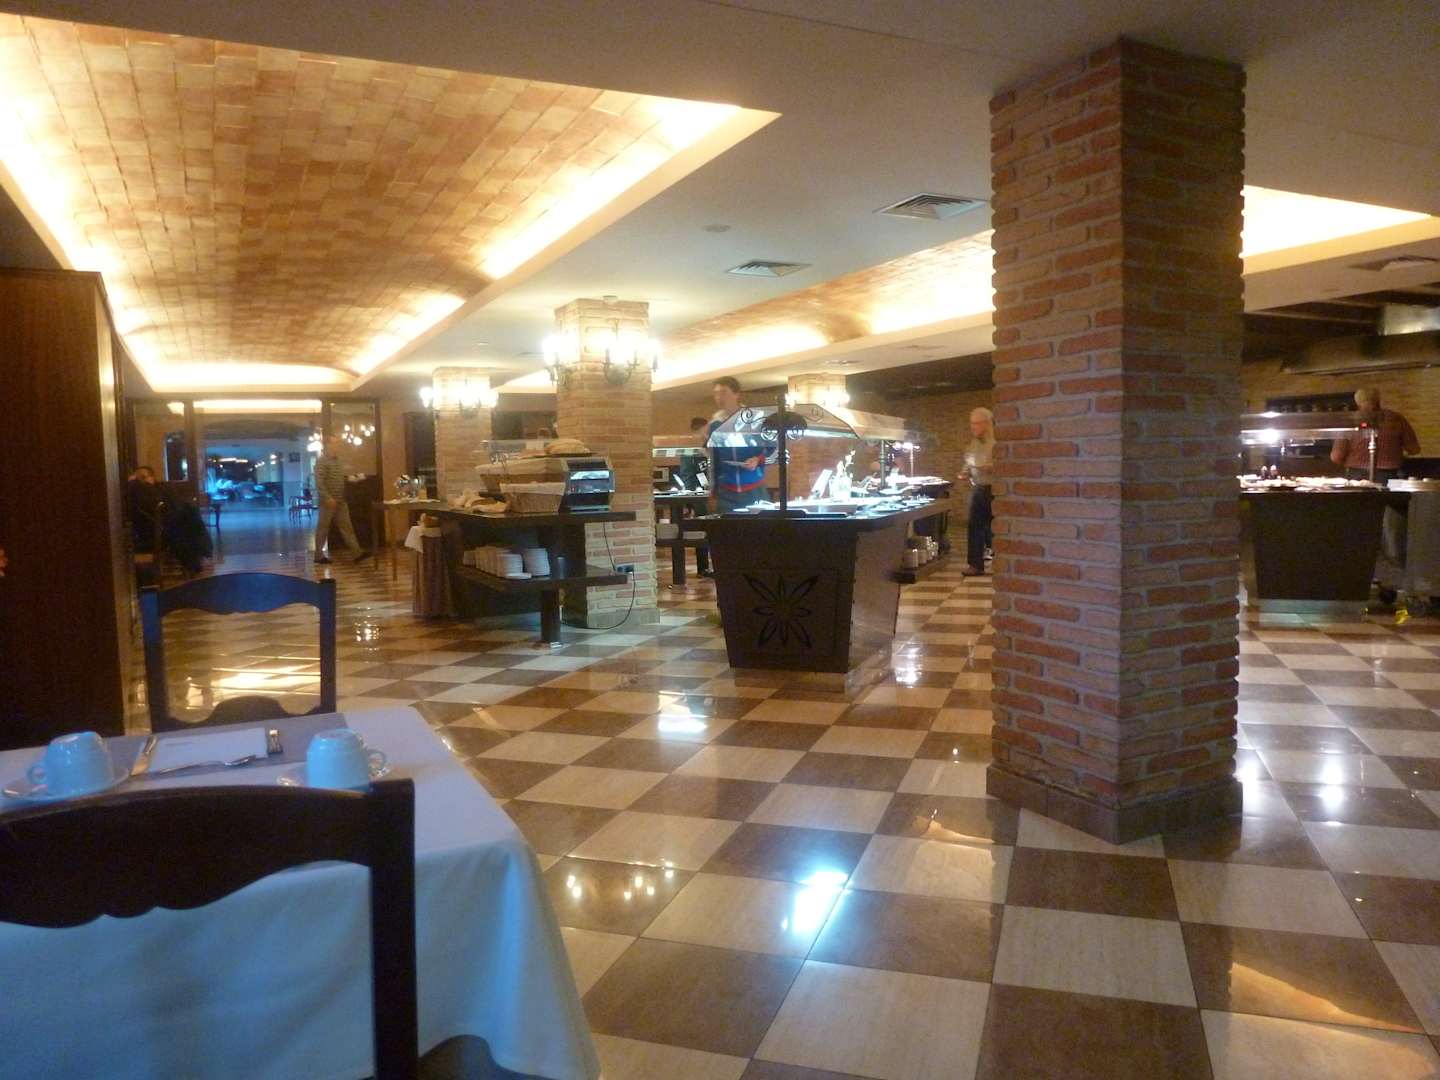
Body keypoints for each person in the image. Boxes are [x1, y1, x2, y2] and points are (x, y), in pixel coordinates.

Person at [708, 377, 773, 512]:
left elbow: (774, 449)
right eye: (716, 393)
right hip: (726, 492)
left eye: (724, 392)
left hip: (754, 488)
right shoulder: (715, 424)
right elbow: (714, 460)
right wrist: (713, 492)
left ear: (736, 394)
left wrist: (758, 460)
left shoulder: (754, 419)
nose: (719, 397)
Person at [1329, 387, 1420, 482]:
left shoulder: (1350, 421)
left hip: (1356, 474)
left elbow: (1336, 456)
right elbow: (1414, 449)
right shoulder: (1396, 418)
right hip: (1390, 474)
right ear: (1378, 400)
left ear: (1357, 402)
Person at [314, 434, 372, 565]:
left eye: (337, 443)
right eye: (334, 443)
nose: (337, 446)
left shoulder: (338, 461)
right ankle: (318, 556)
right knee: (323, 528)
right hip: (327, 502)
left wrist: (353, 479)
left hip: (340, 501)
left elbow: (340, 478)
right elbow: (319, 482)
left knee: (347, 527)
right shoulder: (321, 461)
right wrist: (327, 498)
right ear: (327, 445)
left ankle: (357, 553)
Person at [962, 407, 994, 576]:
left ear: (987, 424)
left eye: (977, 423)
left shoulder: (996, 444)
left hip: (993, 490)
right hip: (978, 489)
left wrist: (989, 467)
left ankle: (1003, 563)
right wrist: (965, 472)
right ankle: (975, 565)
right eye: (971, 423)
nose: (973, 427)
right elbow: (968, 462)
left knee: (995, 528)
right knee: (974, 526)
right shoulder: (973, 444)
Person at [127, 465, 164, 554]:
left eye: (143, 477)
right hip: (153, 536)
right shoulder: (140, 493)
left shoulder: (156, 492)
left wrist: (132, 482)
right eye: (138, 479)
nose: (140, 482)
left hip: (149, 538)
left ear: (152, 478)